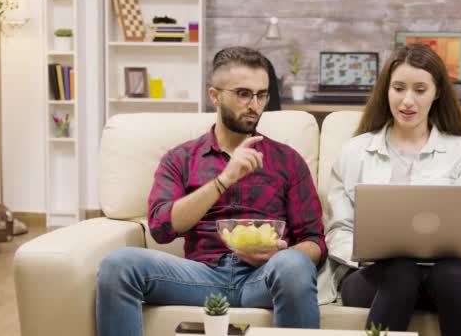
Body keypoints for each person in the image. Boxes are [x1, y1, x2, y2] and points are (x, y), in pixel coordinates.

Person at [95, 46, 327, 336]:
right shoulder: (181, 158)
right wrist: (223, 179)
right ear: (215, 96)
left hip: (264, 278)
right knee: (118, 264)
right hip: (200, 276)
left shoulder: (287, 160)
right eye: (243, 93)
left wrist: (279, 255)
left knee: (295, 263)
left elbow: (315, 242)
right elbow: (161, 227)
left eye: (262, 94)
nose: (254, 104)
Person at [319, 44, 461, 336]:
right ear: (386, 90)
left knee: (450, 274)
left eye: (420, 89)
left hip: (446, 277)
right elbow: (339, 230)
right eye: (398, 88)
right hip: (373, 276)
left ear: (437, 92)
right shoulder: (356, 151)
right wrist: (365, 254)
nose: (407, 101)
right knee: (401, 269)